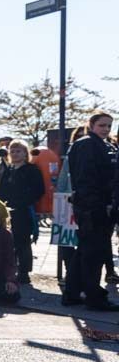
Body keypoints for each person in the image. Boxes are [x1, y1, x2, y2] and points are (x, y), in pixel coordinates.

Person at [63, 113, 117, 309]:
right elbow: (87, 179)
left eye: (109, 126)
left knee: (86, 251)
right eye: (102, 125)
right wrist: (100, 205)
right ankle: (93, 297)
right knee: (93, 254)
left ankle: (72, 293)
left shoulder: (100, 145)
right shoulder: (88, 145)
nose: (106, 129)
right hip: (93, 207)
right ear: (92, 125)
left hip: (94, 205)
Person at [0, 139, 45, 285]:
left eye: (18, 151)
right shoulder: (9, 169)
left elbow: (38, 190)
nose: (15, 154)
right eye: (12, 151)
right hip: (8, 211)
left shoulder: (31, 169)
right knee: (9, 241)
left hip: (23, 210)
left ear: (25, 153)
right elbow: (1, 190)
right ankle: (10, 270)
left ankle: (24, 272)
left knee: (23, 242)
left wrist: (24, 202)